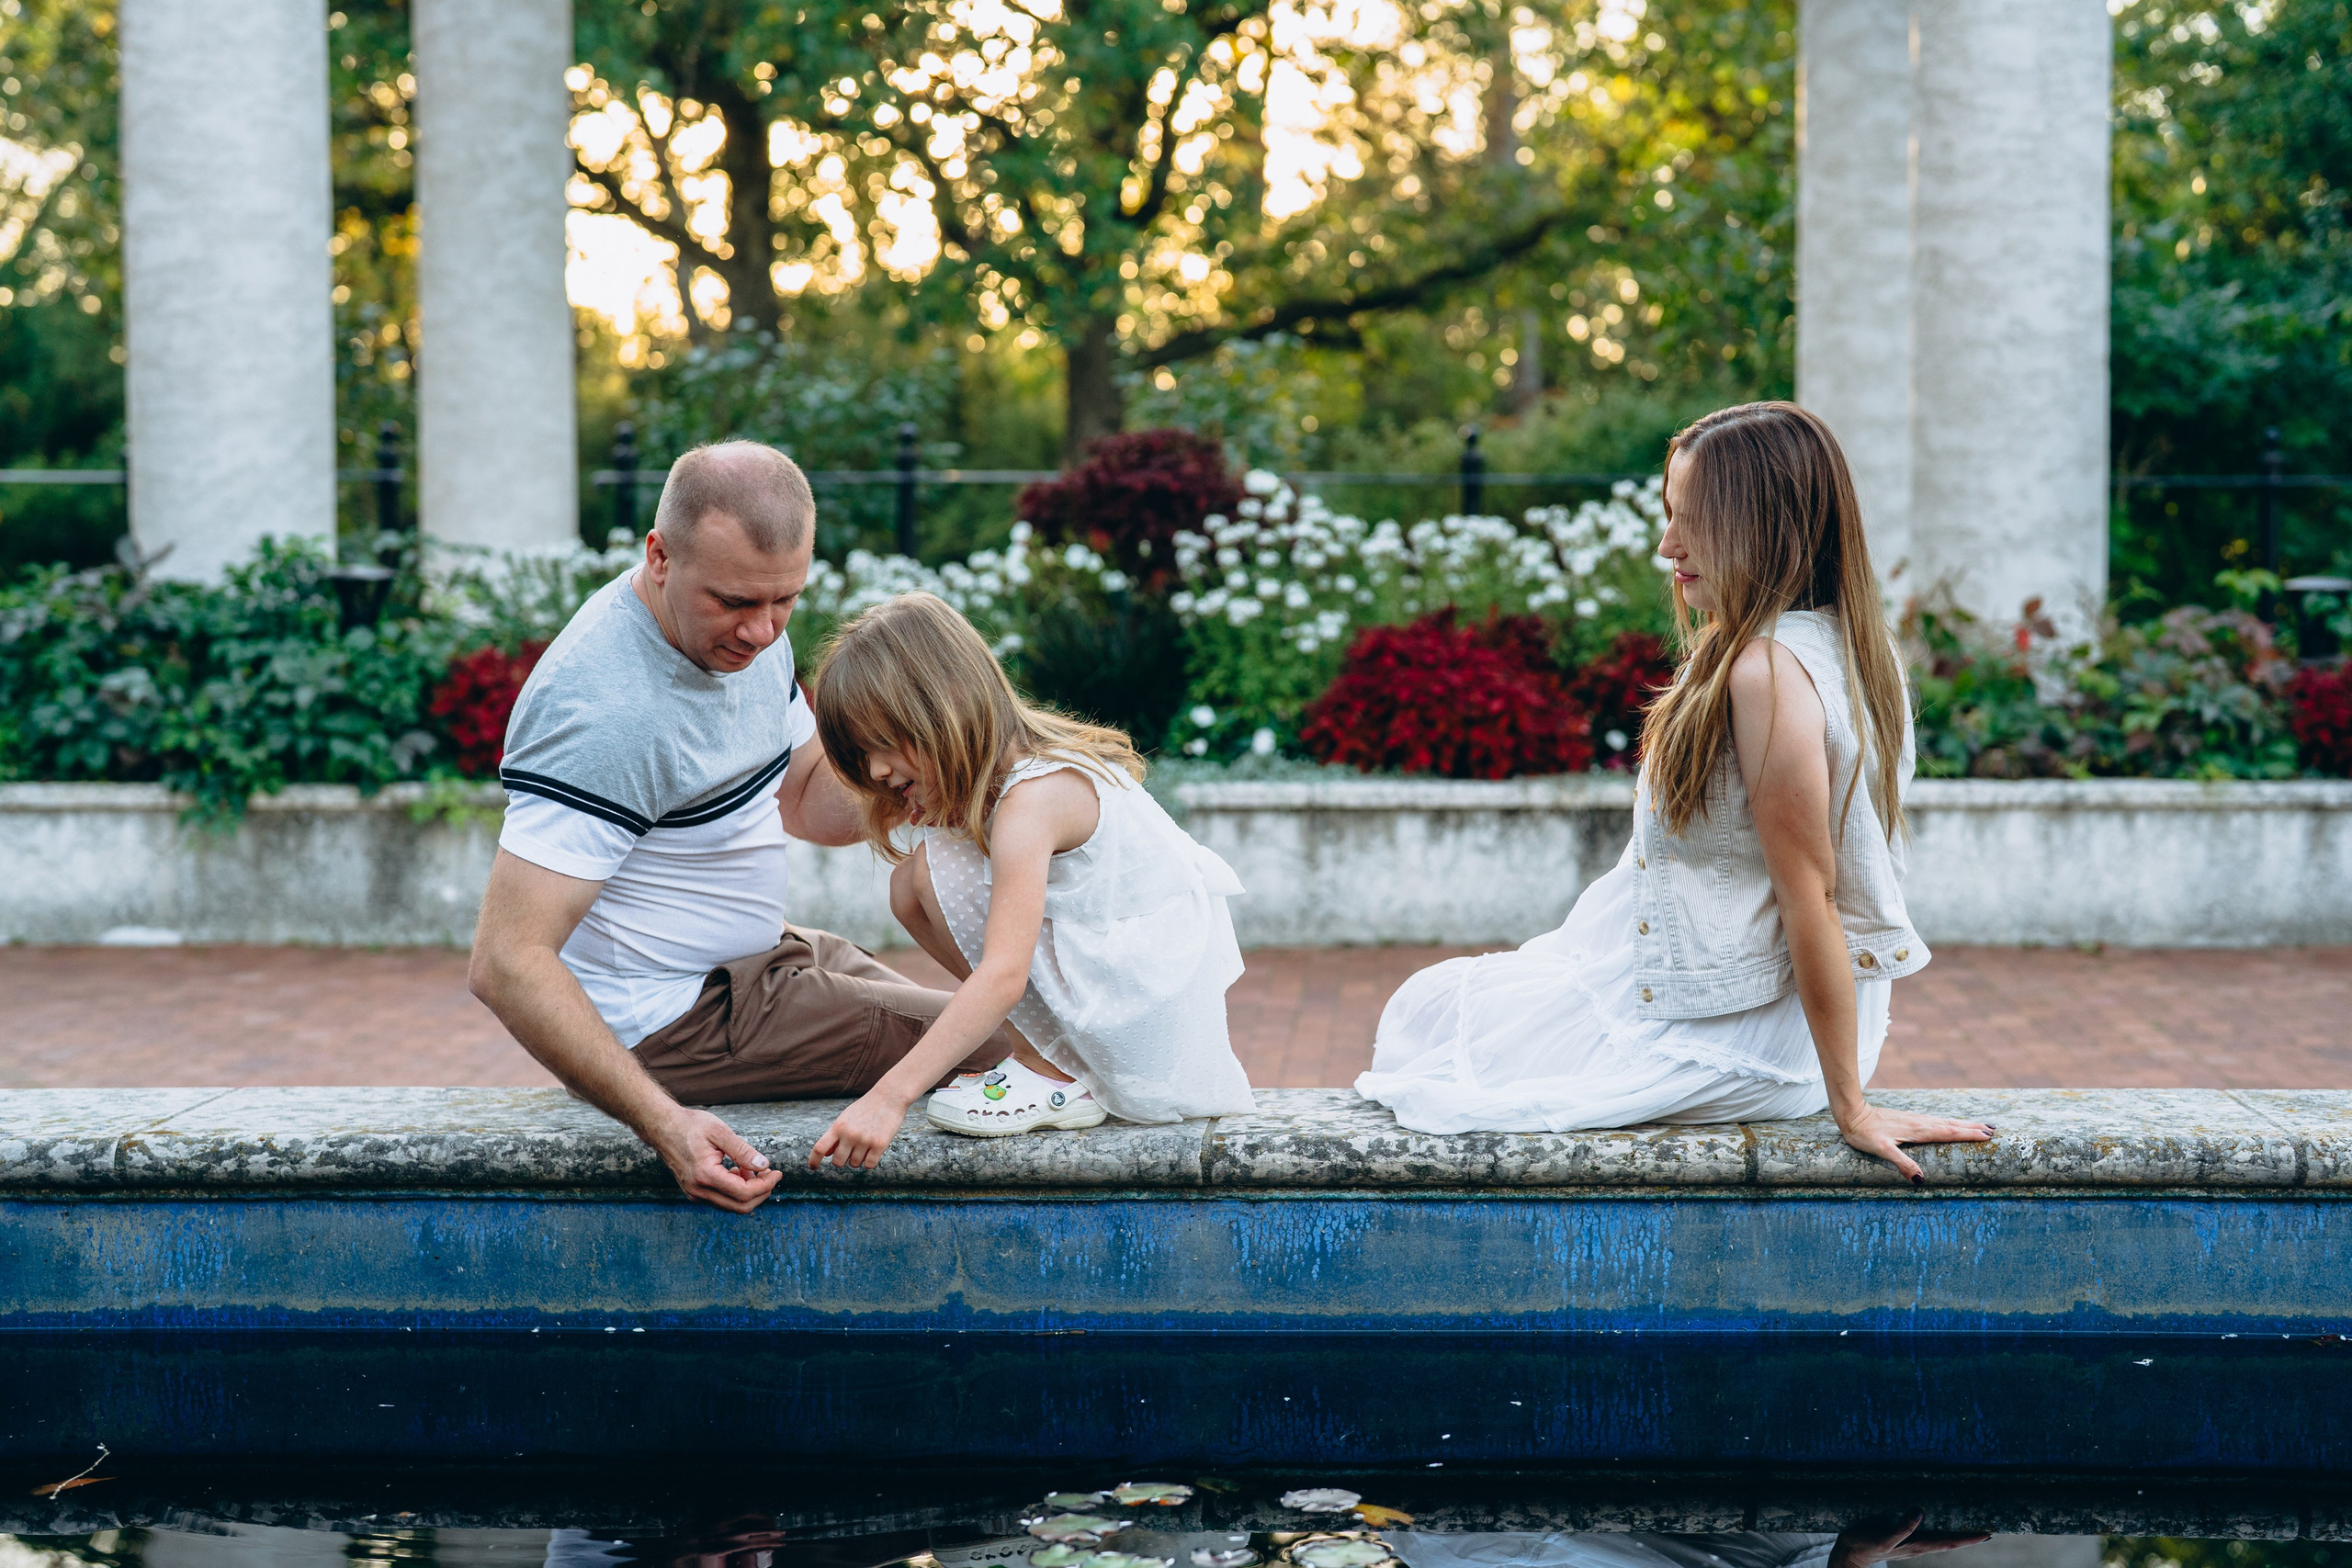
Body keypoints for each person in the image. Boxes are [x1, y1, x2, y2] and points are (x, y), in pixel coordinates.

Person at [1355, 401, 1993, 1181]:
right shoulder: (1851, 644)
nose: (1668, 546)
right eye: (1669, 517)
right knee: (1434, 1011)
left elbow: (1814, 896)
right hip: (1745, 1007)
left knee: (1423, 1017)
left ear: (1766, 527)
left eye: (1690, 521)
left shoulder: (1765, 672)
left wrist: (1849, 1107)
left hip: (1731, 1029)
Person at [467, 442, 1064, 1213]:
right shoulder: (604, 712)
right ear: (658, 555)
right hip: (678, 1019)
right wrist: (666, 1124)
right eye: (736, 602)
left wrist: (941, 771)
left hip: (763, 958)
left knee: (1010, 1026)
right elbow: (506, 961)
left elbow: (808, 795)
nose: (761, 631)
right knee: (1000, 1052)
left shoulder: (748, 636)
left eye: (785, 600)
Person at [803, 591, 1256, 1169]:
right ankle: (1046, 1056)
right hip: (1128, 991)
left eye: (885, 745)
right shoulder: (1019, 773)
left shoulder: (1033, 799)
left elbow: (1003, 976)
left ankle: (1054, 1069)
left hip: (1145, 1020)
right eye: (863, 756)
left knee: (937, 869)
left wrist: (888, 1097)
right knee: (912, 880)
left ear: (944, 709)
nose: (876, 771)